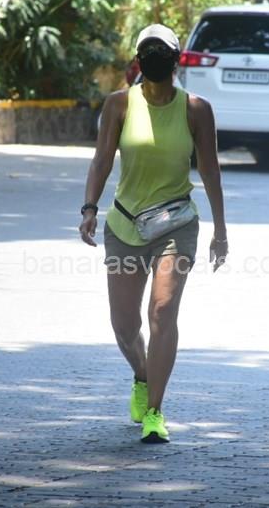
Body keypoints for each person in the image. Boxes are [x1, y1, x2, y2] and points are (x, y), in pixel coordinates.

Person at [78, 24, 228, 443]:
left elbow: (211, 171)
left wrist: (220, 229)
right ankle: (143, 376)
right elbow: (101, 160)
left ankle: (155, 412)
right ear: (138, 60)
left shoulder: (196, 109)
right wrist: (89, 209)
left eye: (162, 51)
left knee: (161, 312)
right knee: (124, 325)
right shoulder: (119, 104)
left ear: (176, 60)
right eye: (148, 50)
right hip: (125, 225)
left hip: (176, 225)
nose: (155, 57)